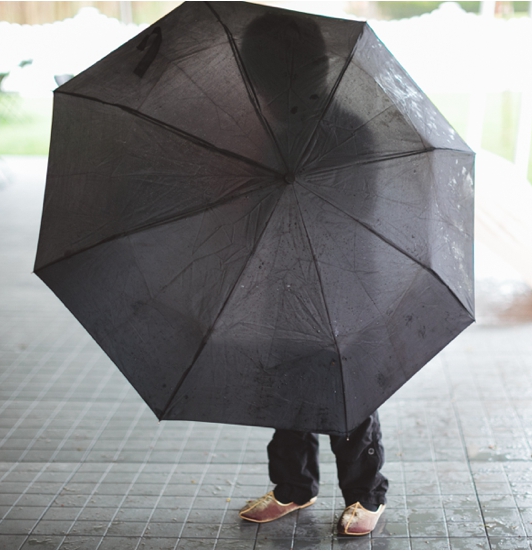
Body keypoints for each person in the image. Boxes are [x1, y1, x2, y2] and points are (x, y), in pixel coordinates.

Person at [235, 11, 388, 537]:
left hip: (340, 279)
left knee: (346, 391)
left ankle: (365, 493)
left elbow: (356, 209)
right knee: (286, 385)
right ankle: (294, 486)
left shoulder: (343, 130)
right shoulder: (271, 130)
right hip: (285, 278)